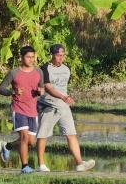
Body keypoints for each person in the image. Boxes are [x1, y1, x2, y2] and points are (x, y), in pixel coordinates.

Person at [35, 44, 95, 172]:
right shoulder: (44, 69)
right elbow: (48, 87)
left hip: (64, 106)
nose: (60, 58)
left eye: (62, 55)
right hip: (48, 105)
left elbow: (63, 87)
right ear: (52, 55)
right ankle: (41, 165)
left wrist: (65, 98)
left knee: (71, 134)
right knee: (43, 135)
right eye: (58, 55)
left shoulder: (67, 69)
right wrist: (63, 97)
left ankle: (79, 163)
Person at [0, 46, 43, 174]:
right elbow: (0, 89)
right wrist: (13, 91)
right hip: (19, 108)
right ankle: (25, 166)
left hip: (33, 110)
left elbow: (41, 89)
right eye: (28, 57)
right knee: (23, 137)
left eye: (33, 57)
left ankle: (8, 146)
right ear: (21, 58)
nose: (31, 59)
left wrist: (40, 91)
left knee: (31, 141)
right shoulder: (14, 73)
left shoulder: (39, 72)